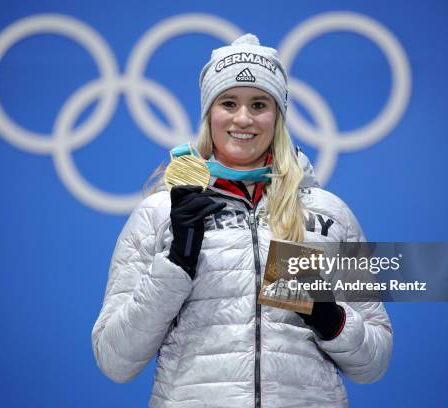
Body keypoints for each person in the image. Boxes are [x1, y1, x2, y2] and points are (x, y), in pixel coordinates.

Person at [92, 33, 392, 408]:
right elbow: (114, 360)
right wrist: (175, 265)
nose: (243, 118)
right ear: (209, 114)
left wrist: (331, 319)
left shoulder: (328, 213)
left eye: (259, 104)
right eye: (229, 102)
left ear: (277, 115)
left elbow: (374, 362)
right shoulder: (160, 213)